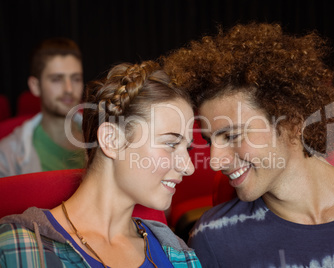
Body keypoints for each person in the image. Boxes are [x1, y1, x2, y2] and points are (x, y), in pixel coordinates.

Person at [163, 23, 334, 267]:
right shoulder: (213, 238)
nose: (215, 160)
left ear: (292, 123)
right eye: (209, 140)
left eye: (232, 136)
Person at [0, 61, 201, 267]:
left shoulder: (177, 253)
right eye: (170, 143)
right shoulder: (18, 249)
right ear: (111, 140)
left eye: (188, 148)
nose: (189, 166)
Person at [0, 37, 85, 177]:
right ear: (35, 86)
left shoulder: (106, 139)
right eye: (57, 79)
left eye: (76, 79)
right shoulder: (7, 156)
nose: (69, 89)